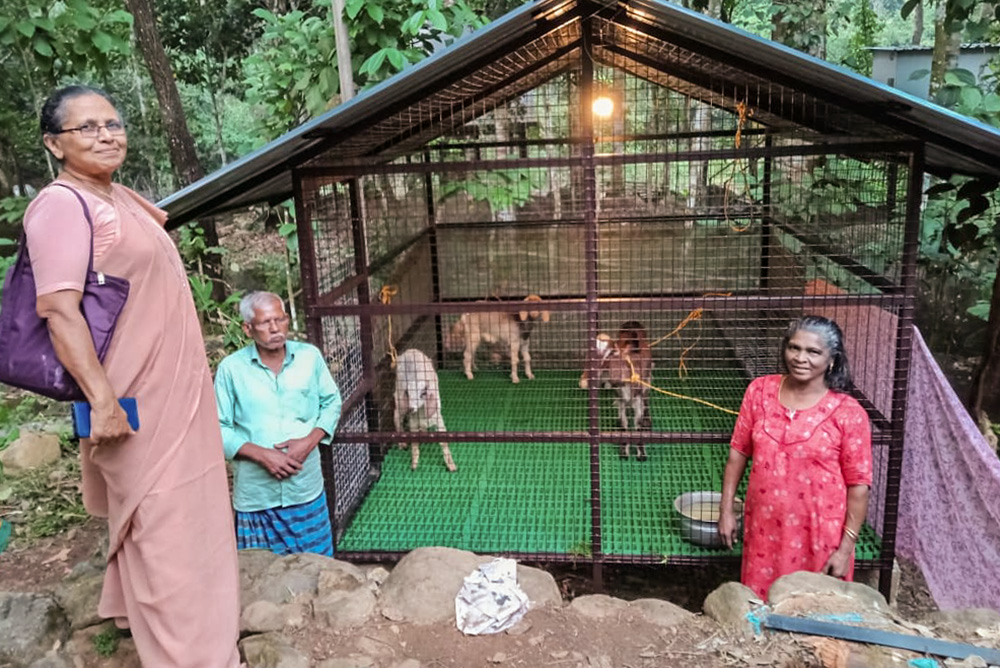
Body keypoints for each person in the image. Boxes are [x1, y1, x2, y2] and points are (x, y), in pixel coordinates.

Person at [25, 85, 240, 666]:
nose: (106, 134)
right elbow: (59, 311)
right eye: (86, 127)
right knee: (164, 530)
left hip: (177, 394)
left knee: (189, 522)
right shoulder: (60, 206)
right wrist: (104, 402)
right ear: (54, 144)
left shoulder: (115, 196)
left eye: (112, 123)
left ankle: (171, 628)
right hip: (130, 400)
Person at [718, 315, 873, 600]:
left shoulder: (849, 413)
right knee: (760, 608)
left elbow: (859, 487)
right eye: (794, 348)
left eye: (813, 352)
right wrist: (725, 511)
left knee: (813, 610)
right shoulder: (759, 392)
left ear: (832, 360)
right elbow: (737, 454)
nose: (801, 358)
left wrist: (845, 549)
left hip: (819, 536)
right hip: (764, 528)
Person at [214, 291, 342, 556]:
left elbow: (332, 402)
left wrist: (309, 441)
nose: (275, 329)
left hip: (304, 489)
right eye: (265, 323)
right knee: (261, 576)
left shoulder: (310, 358)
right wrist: (263, 456)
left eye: (280, 320)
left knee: (317, 568)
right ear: (247, 329)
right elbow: (218, 427)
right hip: (256, 497)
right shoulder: (231, 369)